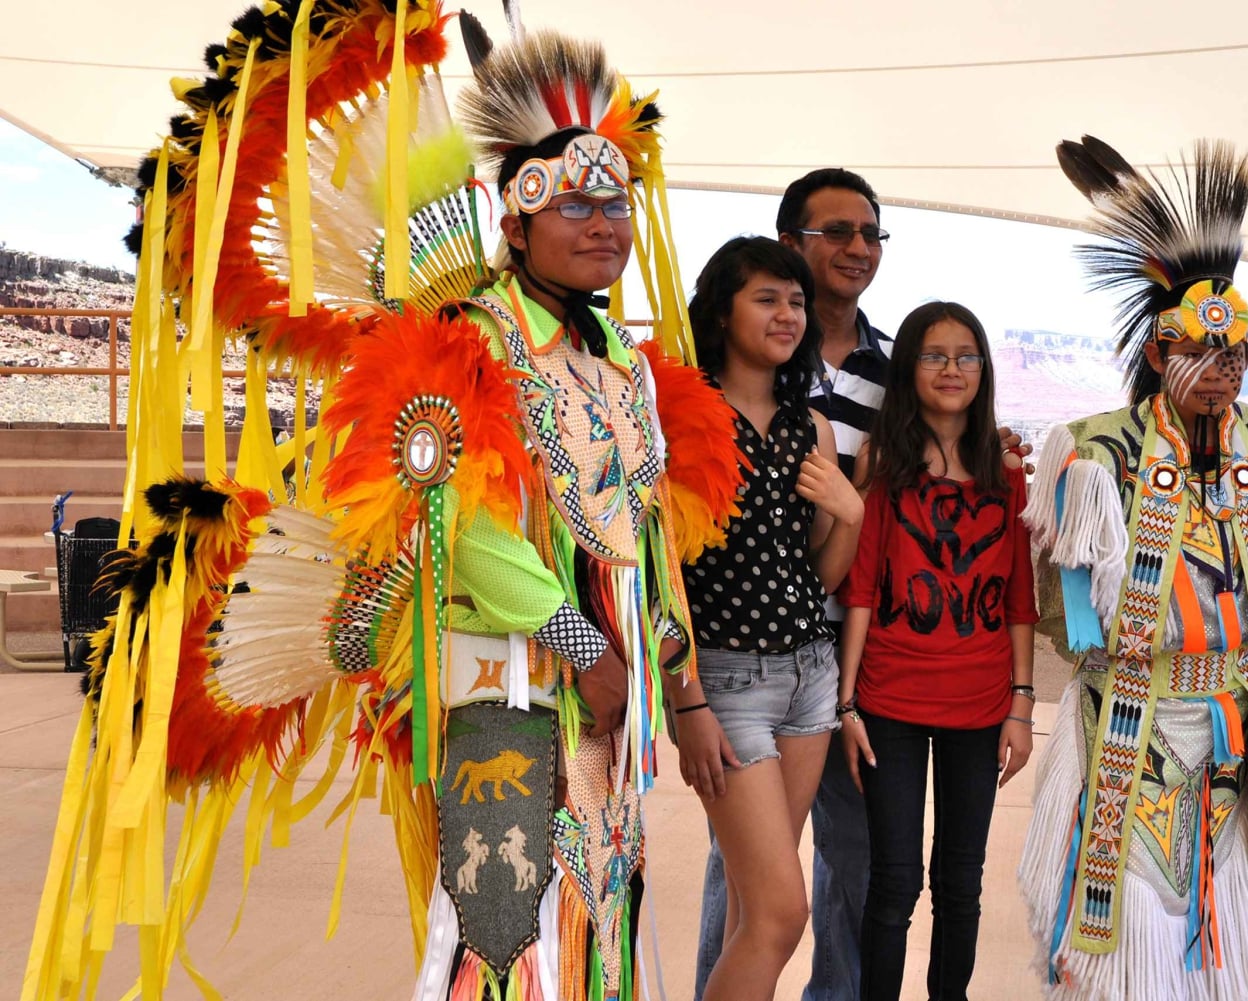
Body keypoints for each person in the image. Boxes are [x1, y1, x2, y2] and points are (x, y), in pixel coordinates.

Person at [23, 11, 743, 1000]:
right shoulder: (466, 343)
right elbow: (469, 528)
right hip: (504, 686)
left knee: (601, 912)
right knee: (506, 929)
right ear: (515, 220)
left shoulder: (622, 365)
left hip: (614, 702)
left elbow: (645, 539)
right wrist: (587, 651)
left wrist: (676, 681)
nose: (604, 223)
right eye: (573, 203)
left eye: (615, 201)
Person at [1020, 136, 1248, 1000]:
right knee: (1128, 926)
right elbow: (1067, 610)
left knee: (1227, 919)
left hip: (1240, 710)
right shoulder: (1093, 455)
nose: (1222, 372)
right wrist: (1106, 641)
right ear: (1160, 353)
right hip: (1132, 715)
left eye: (1236, 354)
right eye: (1201, 351)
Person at [694, 168, 892, 1001]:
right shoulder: (684, 414)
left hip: (814, 669)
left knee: (765, 902)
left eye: (793, 305)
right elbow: (660, 567)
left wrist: (850, 510)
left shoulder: (821, 414)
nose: (786, 315)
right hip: (730, 673)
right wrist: (685, 691)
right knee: (778, 905)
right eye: (767, 299)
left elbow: (819, 565)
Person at [838, 302, 1038, 1001]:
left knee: (961, 882)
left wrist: (1022, 703)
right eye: (934, 354)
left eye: (966, 355)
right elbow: (862, 586)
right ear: (909, 369)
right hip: (889, 698)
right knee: (894, 880)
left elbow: (1019, 600)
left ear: (983, 370)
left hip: (982, 703)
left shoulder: (1007, 473)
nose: (952, 369)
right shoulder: (885, 464)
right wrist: (847, 702)